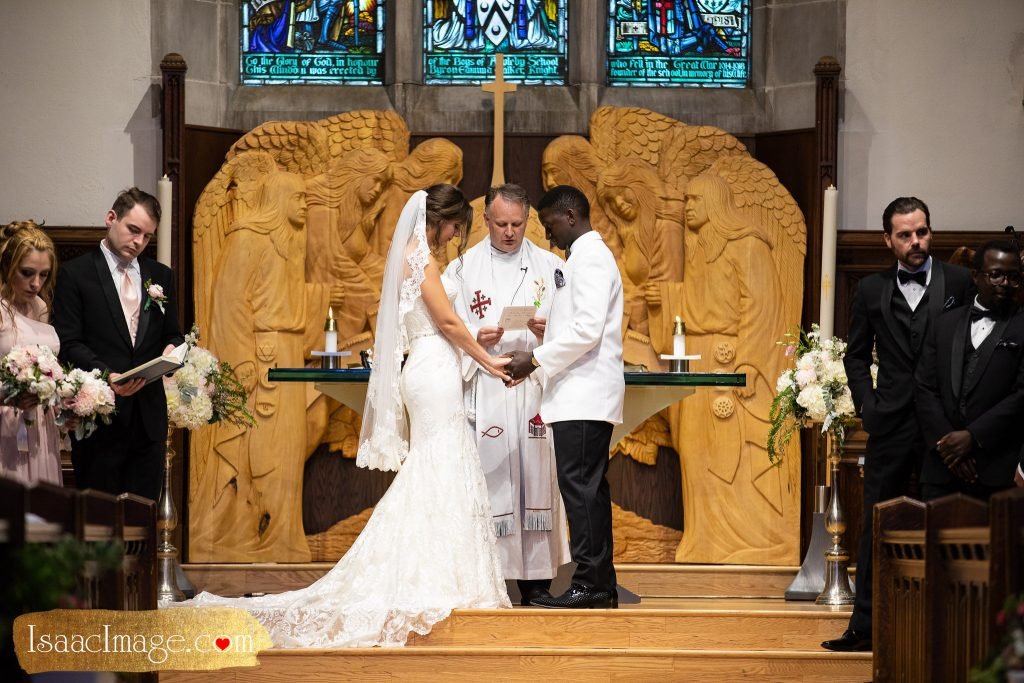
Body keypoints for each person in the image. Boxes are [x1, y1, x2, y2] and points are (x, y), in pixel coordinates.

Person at [169, 184, 513, 648]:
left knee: (439, 466)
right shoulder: (419, 257)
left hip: (437, 364)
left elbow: (446, 323)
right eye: (454, 228)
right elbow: (447, 324)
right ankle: (433, 576)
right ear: (439, 219)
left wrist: (477, 339)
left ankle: (439, 572)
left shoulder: (417, 256)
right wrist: (487, 359)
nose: (454, 237)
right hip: (433, 371)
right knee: (439, 462)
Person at [822, 197, 973, 653]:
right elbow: (854, 356)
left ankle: (945, 630)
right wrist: (868, 405)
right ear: (888, 240)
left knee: (943, 524)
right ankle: (864, 627)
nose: (916, 242)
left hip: (942, 428)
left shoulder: (961, 282)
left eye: (922, 232)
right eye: (905, 235)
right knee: (877, 524)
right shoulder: (870, 289)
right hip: (888, 424)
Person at [441, 184, 570, 606]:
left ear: (528, 219)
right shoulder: (461, 269)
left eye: (517, 224)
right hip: (487, 386)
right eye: (501, 224)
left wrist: (546, 332)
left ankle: (535, 583)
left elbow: (573, 329)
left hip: (533, 386)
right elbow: (443, 327)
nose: (510, 232)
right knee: (491, 478)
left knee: (534, 477)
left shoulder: (551, 266)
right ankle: (490, 579)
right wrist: (475, 339)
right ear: (485, 220)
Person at [504, 185, 625, 609]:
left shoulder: (591, 258)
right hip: (580, 392)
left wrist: (534, 359)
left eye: (550, 224)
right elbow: (579, 325)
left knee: (581, 490)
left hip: (584, 394)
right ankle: (601, 584)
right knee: (587, 489)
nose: (549, 236)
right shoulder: (583, 258)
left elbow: (588, 330)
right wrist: (549, 329)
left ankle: (590, 585)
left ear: (570, 216)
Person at [53, 188, 184, 502]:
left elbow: (173, 334)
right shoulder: (76, 274)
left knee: (142, 520)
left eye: (147, 236)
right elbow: (69, 341)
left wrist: (173, 352)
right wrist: (107, 375)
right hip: (101, 417)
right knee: (99, 521)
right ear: (111, 218)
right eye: (133, 230)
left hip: (148, 419)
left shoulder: (160, 276)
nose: (139, 242)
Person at [915, 240, 1024, 500]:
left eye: (1013, 277)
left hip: (997, 471)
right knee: (935, 540)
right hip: (941, 470)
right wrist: (948, 446)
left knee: (999, 541)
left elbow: (1022, 395)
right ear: (975, 276)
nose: (1005, 284)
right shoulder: (944, 323)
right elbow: (924, 387)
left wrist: (973, 437)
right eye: (996, 274)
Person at [0, 221, 64, 485]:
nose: (36, 283)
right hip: (6, 424)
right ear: (7, 267)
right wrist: (9, 394)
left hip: (40, 425)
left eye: (44, 275)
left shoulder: (40, 307)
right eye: (27, 273)